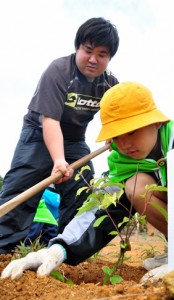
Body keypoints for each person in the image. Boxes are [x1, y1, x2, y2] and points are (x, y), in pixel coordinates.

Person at [2, 81, 174, 283]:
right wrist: (58, 249)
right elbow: (101, 211)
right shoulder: (124, 162)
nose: (124, 144)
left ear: (156, 122)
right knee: (135, 186)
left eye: (131, 131)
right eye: (116, 135)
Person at [0, 17, 119, 254]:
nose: (93, 59)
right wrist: (58, 160)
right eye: (88, 50)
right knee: (22, 190)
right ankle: (4, 250)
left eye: (102, 54)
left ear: (109, 57)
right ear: (78, 47)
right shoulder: (60, 71)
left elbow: (120, 113)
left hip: (74, 141)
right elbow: (50, 121)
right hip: (37, 133)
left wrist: (116, 132)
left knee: (83, 186)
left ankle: (65, 248)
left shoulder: (110, 85)